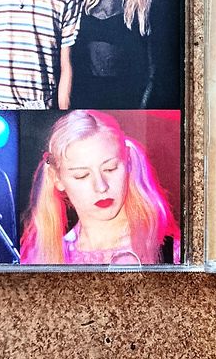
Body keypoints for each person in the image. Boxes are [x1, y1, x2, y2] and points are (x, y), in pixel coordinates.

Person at [20, 110, 180, 265]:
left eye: (110, 169)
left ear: (129, 161)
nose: (101, 187)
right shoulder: (40, 259)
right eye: (82, 175)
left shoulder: (172, 252)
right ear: (57, 179)